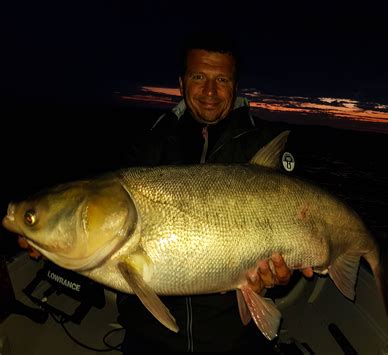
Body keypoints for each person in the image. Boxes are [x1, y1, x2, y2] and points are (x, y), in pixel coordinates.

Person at [19, 32, 313, 353]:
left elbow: (298, 251)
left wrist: (283, 278)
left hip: (232, 339)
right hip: (151, 337)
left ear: (236, 85)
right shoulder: (148, 144)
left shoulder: (261, 145)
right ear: (182, 81)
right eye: (199, 77)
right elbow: (105, 240)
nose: (210, 91)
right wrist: (54, 240)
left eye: (222, 80)